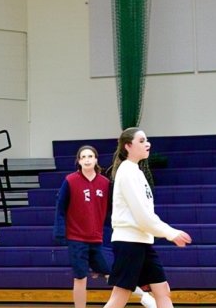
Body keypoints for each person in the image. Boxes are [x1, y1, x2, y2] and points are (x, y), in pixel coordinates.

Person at [102, 128, 192, 308]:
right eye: (141, 141)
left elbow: (146, 214)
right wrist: (170, 233)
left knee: (162, 290)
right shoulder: (127, 172)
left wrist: (167, 231)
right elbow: (142, 216)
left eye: (147, 140)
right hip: (129, 243)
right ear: (128, 146)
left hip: (142, 241)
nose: (147, 144)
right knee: (120, 296)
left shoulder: (136, 171)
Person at [53, 145, 112, 308]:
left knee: (110, 273)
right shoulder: (70, 181)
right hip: (76, 238)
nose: (87, 160)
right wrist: (59, 232)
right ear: (78, 161)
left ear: (96, 160)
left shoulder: (105, 183)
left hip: (97, 238)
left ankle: (138, 299)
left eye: (90, 156)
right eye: (83, 157)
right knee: (80, 277)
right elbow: (60, 207)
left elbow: (112, 209)